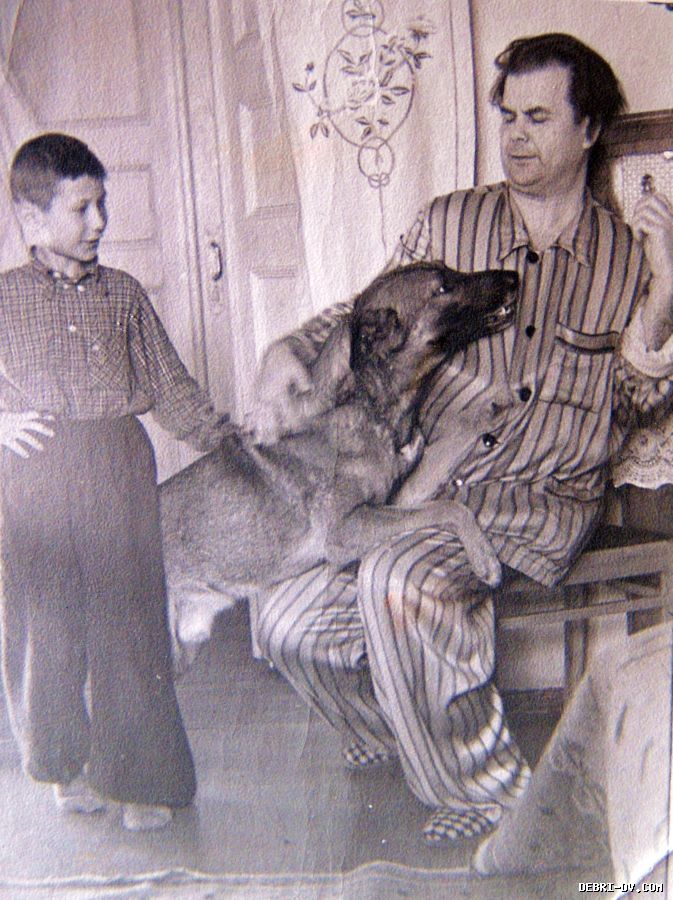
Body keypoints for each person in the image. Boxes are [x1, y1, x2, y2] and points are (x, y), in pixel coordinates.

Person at [250, 33, 673, 843]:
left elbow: (635, 403)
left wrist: (665, 288)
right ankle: (392, 731)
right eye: (507, 116)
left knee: (398, 579)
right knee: (284, 619)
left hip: (538, 497)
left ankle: (488, 795)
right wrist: (290, 352)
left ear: (588, 129)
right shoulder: (448, 222)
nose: (515, 135)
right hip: (428, 484)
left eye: (538, 118)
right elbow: (366, 316)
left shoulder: (626, 259)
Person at [0, 133, 231, 831]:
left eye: (102, 204)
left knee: (130, 624)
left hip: (117, 467)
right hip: (34, 478)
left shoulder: (124, 295)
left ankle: (140, 778)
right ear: (31, 218)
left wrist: (234, 445)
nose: (99, 222)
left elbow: (172, 389)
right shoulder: (3, 299)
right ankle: (62, 767)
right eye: (81, 208)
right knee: (47, 626)